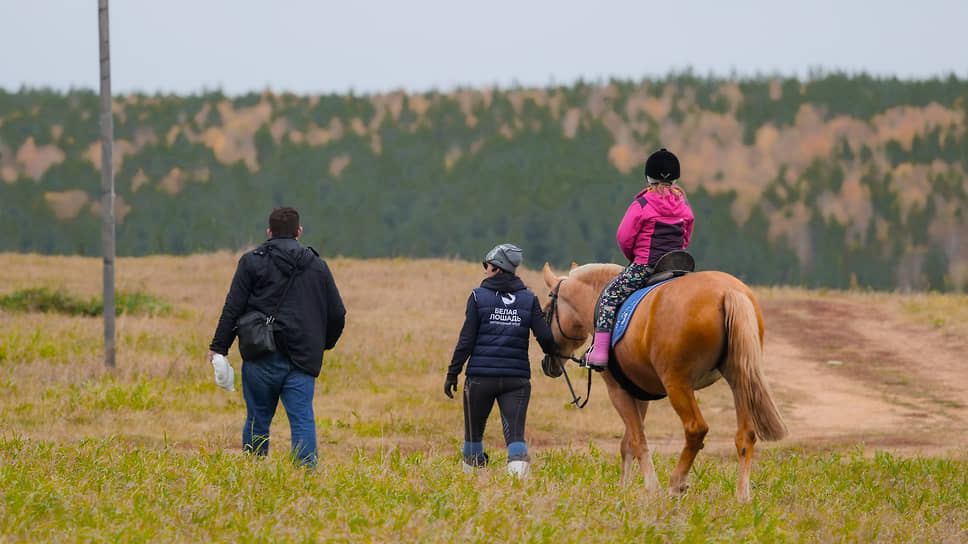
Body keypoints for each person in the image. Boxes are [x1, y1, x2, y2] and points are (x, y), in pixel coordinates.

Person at [207, 206, 346, 467]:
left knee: (258, 418)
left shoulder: (251, 262)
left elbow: (233, 308)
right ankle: (306, 477)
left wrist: (219, 347)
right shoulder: (317, 266)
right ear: (299, 231)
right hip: (303, 358)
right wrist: (324, 344)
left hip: (260, 354)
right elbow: (337, 313)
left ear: (269, 232)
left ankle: (254, 471)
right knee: (302, 418)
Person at [444, 243, 558, 478]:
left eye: (487, 265)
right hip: (516, 380)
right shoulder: (529, 299)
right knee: (515, 436)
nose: (485, 269)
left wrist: (452, 373)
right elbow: (545, 338)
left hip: (479, 380)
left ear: (497, 268)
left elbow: (466, 340)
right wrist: (554, 354)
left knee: (473, 435)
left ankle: (472, 488)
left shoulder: (477, 297)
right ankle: (518, 492)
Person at [584, 148, 695, 369]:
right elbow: (686, 235)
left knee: (609, 296)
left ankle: (599, 353)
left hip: (646, 267)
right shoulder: (684, 205)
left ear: (648, 178)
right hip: (678, 266)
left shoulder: (642, 205)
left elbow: (624, 237)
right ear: (675, 178)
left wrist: (635, 259)